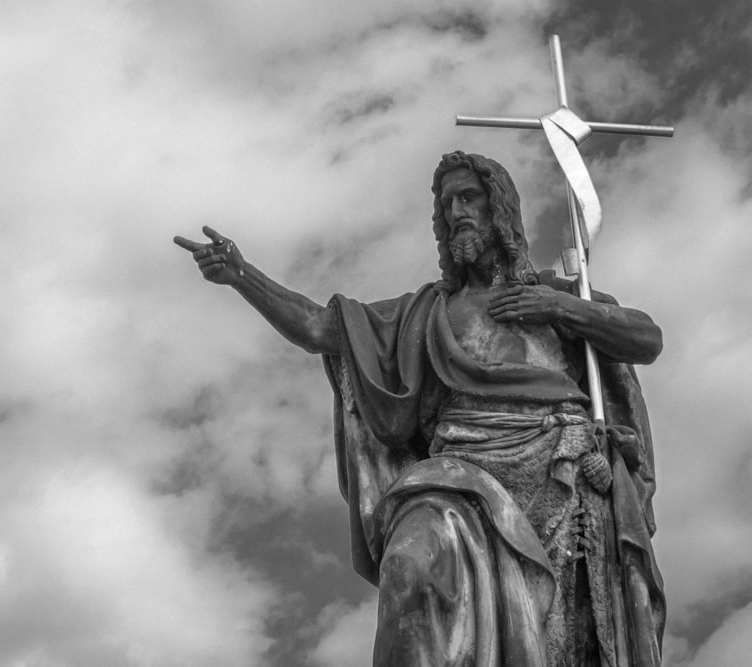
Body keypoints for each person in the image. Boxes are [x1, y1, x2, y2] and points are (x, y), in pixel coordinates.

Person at [175, 151, 665, 666]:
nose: (455, 212)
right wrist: (242, 275)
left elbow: (646, 338)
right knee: (409, 564)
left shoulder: (559, 298)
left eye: (468, 197)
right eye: (446, 204)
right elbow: (320, 328)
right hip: (459, 477)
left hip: (560, 478)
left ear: (500, 210)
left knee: (569, 644)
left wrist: (560, 307)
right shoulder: (425, 312)